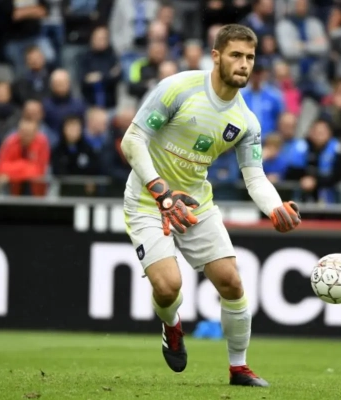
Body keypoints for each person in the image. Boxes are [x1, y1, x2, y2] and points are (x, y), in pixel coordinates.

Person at [119, 24, 301, 387]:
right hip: (147, 201)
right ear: (216, 56)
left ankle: (239, 368)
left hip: (196, 204)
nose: (244, 64)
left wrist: (275, 207)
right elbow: (132, 140)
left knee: (231, 282)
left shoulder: (246, 121)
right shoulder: (178, 88)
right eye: (236, 55)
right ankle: (172, 325)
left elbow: (255, 177)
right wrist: (161, 191)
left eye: (250, 57)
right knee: (168, 287)